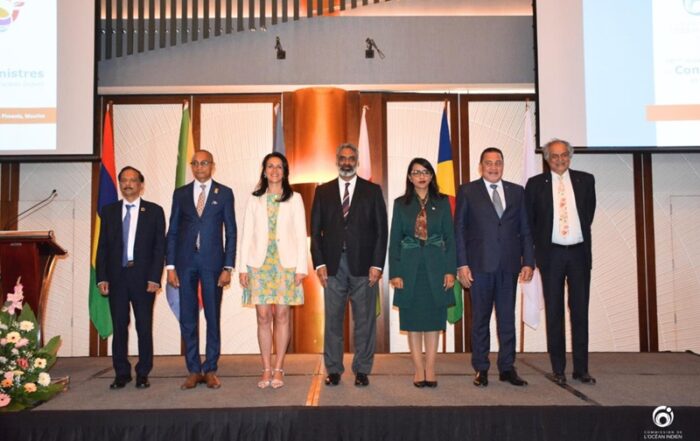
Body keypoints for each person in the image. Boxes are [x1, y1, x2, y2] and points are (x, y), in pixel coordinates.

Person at [455, 147, 534, 388]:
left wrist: (528, 261)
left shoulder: (517, 192)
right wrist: (462, 264)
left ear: (503, 165)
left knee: (507, 319)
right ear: (481, 166)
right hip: (479, 266)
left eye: (498, 162)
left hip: (508, 266)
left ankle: (507, 367)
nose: (493, 167)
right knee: (480, 320)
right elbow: (459, 229)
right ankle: (481, 368)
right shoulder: (468, 191)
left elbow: (525, 229)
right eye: (488, 163)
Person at [311, 143, 388, 387]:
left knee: (364, 321)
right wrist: (319, 263)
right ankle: (333, 369)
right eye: (343, 158)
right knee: (333, 320)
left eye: (351, 158)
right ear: (337, 161)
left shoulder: (372, 191)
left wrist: (377, 265)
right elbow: (315, 232)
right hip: (332, 266)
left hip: (364, 266)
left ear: (357, 161)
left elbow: (381, 231)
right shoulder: (322, 191)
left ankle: (362, 369)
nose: (347, 162)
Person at [525, 138, 596, 385]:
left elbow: (588, 214)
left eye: (564, 155)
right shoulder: (535, 185)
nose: (559, 160)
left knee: (580, 311)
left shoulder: (586, 181)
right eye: (554, 156)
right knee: (554, 312)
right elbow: (531, 221)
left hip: (578, 254)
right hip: (551, 255)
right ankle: (558, 369)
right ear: (547, 159)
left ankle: (581, 369)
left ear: (570, 156)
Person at [166, 149, 236, 390]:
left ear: (212, 166)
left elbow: (231, 232)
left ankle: (211, 369)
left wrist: (228, 266)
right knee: (188, 318)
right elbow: (172, 231)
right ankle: (194, 370)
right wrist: (170, 266)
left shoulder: (224, 193)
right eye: (195, 163)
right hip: (185, 264)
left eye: (204, 163)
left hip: (213, 265)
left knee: (212, 317)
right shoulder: (181, 194)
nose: (199, 167)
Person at [237, 152, 307, 389]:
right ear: (264, 171)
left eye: (279, 167)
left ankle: (279, 368)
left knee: (282, 316)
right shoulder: (255, 199)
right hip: (259, 265)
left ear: (285, 172)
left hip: (286, 266)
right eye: (270, 166)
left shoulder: (295, 198)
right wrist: (242, 268)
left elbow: (300, 234)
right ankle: (266, 368)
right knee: (263, 316)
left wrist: (301, 268)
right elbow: (246, 235)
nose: (274, 170)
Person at [388, 158, 456, 388]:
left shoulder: (443, 202)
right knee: (413, 321)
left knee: (434, 321)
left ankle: (431, 368)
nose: (421, 176)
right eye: (416, 172)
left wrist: (450, 270)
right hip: (409, 269)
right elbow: (394, 240)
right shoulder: (401, 204)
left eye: (425, 172)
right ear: (410, 177)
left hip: (437, 267)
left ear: (431, 176)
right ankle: (418, 369)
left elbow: (450, 238)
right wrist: (395, 272)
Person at [96, 166, 165, 390]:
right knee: (119, 326)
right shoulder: (109, 211)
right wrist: (102, 277)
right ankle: (121, 373)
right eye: (124, 180)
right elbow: (102, 247)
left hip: (143, 278)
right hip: (116, 277)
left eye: (132, 180)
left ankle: (143, 372)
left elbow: (159, 248)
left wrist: (155, 277)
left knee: (144, 326)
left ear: (140, 185)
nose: (128, 184)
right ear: (119, 184)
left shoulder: (154, 211)